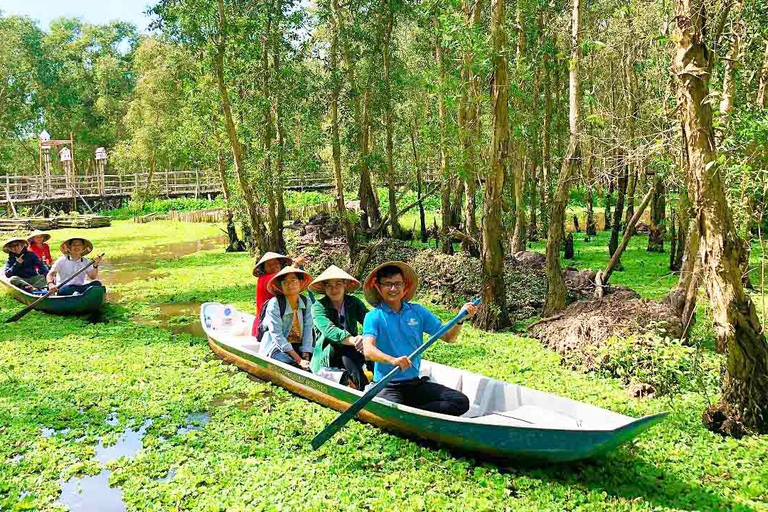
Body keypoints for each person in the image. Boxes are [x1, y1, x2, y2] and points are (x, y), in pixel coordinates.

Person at [362, 261, 477, 416]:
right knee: (393, 413)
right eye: (388, 284)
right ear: (378, 287)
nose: (393, 289)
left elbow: (448, 337)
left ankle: (413, 415)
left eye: (397, 284)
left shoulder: (418, 312)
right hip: (387, 384)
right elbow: (368, 351)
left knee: (460, 401)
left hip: (414, 383)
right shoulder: (373, 316)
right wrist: (392, 360)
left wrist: (459, 320)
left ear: (405, 286)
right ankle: (410, 415)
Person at [309, 265, 371, 389]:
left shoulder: (354, 302)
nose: (334, 289)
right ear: (324, 288)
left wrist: (365, 337)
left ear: (345, 285)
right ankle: (363, 388)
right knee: (346, 351)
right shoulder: (318, 307)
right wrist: (354, 341)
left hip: (354, 350)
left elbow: (370, 322)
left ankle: (379, 382)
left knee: (371, 345)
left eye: (338, 284)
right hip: (328, 354)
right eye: (329, 285)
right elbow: (330, 331)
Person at [258, 266, 314, 370]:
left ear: (301, 283)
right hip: (277, 346)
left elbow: (308, 329)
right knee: (290, 364)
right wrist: (299, 360)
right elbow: (276, 335)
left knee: (316, 362)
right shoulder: (275, 303)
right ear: (281, 286)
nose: (290, 284)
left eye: (294, 280)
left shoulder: (307, 302)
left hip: (298, 345)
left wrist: (306, 356)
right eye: (285, 282)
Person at [251, 252, 303, 336]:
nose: (274, 266)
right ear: (263, 269)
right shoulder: (265, 279)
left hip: (279, 321)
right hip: (264, 326)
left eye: (276, 262)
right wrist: (296, 264)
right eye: (269, 264)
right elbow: (282, 277)